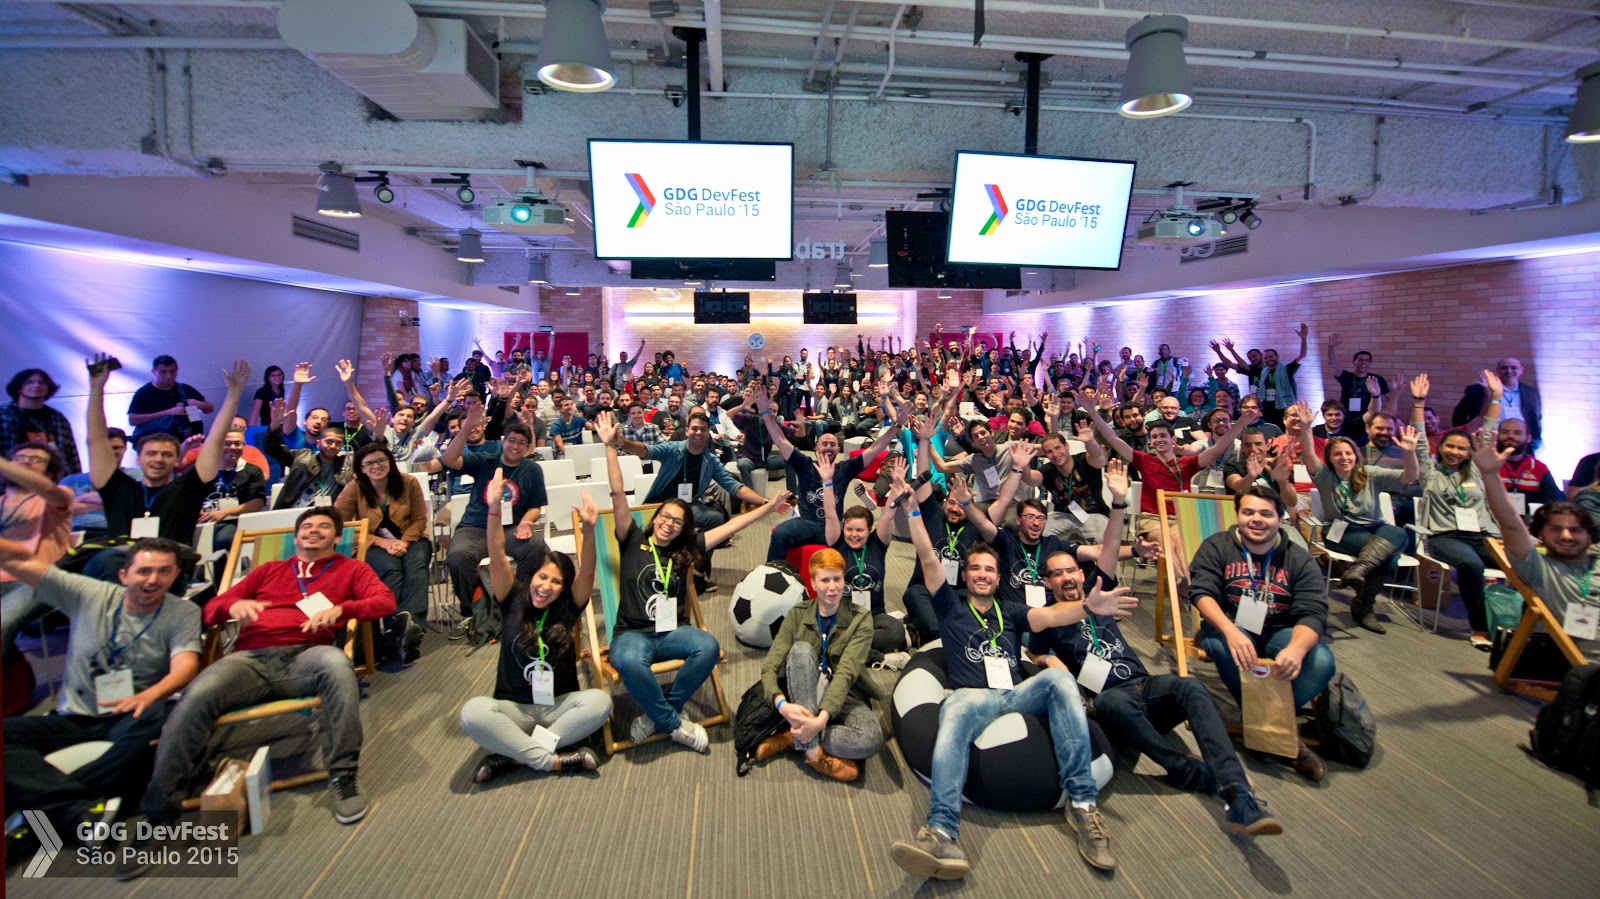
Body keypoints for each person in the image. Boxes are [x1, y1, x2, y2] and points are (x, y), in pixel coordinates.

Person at [117, 506, 393, 879]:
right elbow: (211, 609)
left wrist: (342, 609)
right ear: (295, 538)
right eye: (307, 527)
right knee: (197, 694)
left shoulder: (350, 569)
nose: (313, 532)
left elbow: (384, 602)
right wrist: (234, 603)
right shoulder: (268, 571)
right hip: (249, 658)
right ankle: (158, 814)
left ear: (335, 537)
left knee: (337, 667)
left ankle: (343, 776)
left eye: (324, 528)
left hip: (306, 656)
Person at [1028, 461, 1282, 836]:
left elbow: (1111, 547)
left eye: (1071, 570)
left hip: (1144, 686)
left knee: (1189, 685)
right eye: (1057, 574)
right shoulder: (1049, 616)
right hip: (1111, 704)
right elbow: (1034, 648)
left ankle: (1236, 787)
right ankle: (1184, 769)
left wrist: (1117, 502)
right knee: (1114, 702)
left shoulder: (1101, 591)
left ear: (1082, 574)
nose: (1067, 577)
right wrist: (1049, 659)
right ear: (1047, 582)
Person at [889, 496, 1133, 879]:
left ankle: (1083, 807)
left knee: (1057, 677)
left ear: (999, 578)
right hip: (971, 696)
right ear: (965, 576)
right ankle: (941, 832)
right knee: (953, 711)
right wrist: (912, 510)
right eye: (975, 569)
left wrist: (1088, 607)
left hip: (1015, 694)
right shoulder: (950, 606)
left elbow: (1050, 615)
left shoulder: (1012, 611)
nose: (983, 574)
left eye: (990, 569)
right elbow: (926, 556)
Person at [595, 412, 793, 751]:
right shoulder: (631, 540)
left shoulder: (685, 549)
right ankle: (673, 723)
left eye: (677, 521)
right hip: (634, 633)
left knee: (708, 647)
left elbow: (732, 527)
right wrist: (611, 447)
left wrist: (767, 504)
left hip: (672, 632)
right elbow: (617, 493)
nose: (669, 524)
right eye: (664, 518)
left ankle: (658, 714)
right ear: (654, 518)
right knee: (627, 660)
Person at [1, 538, 202, 852]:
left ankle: (36, 818)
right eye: (144, 571)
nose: (153, 580)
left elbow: (185, 664)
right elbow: (20, 559)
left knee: (159, 724)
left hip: (132, 718)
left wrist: (150, 694)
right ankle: (77, 813)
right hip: (74, 719)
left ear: (176, 574)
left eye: (164, 572)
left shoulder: (183, 612)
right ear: (124, 576)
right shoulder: (87, 595)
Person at [460, 471, 611, 782]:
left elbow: (588, 569)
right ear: (532, 576)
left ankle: (515, 757)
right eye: (543, 577)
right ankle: (553, 760)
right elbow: (497, 551)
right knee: (472, 714)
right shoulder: (511, 596)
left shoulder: (569, 605)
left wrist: (590, 528)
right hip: (513, 708)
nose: (547, 586)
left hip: (558, 706)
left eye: (556, 581)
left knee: (600, 702)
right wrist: (492, 510)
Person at [1189, 484, 1336, 781]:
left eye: (1266, 513)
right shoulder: (1217, 546)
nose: (1256, 519)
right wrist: (1230, 631)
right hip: (1231, 625)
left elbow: (1314, 612)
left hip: (1282, 630)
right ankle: (1288, 742)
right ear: (1238, 515)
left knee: (1321, 661)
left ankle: (1262, 725)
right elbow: (1201, 592)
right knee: (1222, 647)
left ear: (1279, 519)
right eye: (1249, 512)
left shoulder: (1299, 558)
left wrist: (1296, 648)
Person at [84, 354, 247, 579]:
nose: (158, 459)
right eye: (151, 453)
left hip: (171, 577)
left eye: (167, 454)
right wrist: (96, 389)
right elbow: (96, 440)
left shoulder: (187, 489)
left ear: (177, 460)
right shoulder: (119, 488)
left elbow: (216, 440)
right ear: (138, 458)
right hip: (119, 577)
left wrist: (234, 393)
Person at [753, 546, 885, 781]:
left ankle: (794, 737)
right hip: (804, 689)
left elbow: (846, 674)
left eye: (837, 579)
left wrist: (820, 721)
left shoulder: (861, 619)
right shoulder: (797, 614)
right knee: (801, 650)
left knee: (871, 739)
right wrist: (781, 704)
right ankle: (814, 754)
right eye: (825, 580)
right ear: (812, 583)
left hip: (845, 693)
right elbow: (770, 666)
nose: (833, 587)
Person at [1290, 401, 1421, 633]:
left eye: (1348, 453)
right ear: (1330, 458)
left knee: (1399, 532)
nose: (1344, 458)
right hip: (1340, 531)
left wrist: (1410, 452)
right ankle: (1364, 607)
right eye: (1337, 454)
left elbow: (1410, 477)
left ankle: (1358, 572)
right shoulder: (1325, 476)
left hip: (1374, 528)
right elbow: (1309, 454)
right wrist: (1307, 427)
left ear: (1356, 455)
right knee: (1388, 557)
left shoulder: (1370, 474)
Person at [1471, 430, 1600, 640]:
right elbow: (1510, 522)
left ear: (1590, 535)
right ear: (1540, 534)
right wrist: (1490, 475)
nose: (1566, 536)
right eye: (1556, 529)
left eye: (1575, 530)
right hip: (1587, 666)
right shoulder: (1538, 566)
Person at [756, 386, 902, 563]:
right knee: (779, 533)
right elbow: (780, 440)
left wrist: (897, 427)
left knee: (857, 541)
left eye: (832, 444)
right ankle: (773, 573)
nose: (828, 447)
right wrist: (765, 413)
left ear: (838, 450)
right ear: (816, 448)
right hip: (806, 522)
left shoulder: (845, 468)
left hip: (833, 526)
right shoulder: (804, 464)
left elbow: (874, 449)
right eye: (824, 443)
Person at [441, 403, 548, 640]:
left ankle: (518, 603)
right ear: (503, 440)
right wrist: (467, 425)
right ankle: (472, 610)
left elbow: (535, 507)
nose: (515, 446)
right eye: (512, 440)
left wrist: (526, 522)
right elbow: (449, 459)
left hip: (510, 529)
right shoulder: (486, 462)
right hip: (476, 527)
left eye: (522, 442)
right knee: (459, 556)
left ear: (528, 446)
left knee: (536, 548)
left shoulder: (532, 470)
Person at [1413, 372, 1504, 650]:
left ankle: (1522, 626)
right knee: (1471, 565)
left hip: (1483, 535)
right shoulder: (1430, 471)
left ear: (1469, 452)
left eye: (1461, 448)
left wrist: (1496, 398)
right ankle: (1480, 627)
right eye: (1450, 446)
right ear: (1439, 448)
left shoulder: (1476, 470)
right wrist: (1418, 402)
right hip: (1445, 537)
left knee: (1523, 564)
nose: (1455, 451)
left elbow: (1488, 430)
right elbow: (1417, 438)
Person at [333, 443, 430, 663]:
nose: (376, 466)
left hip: (411, 539)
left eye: (381, 461)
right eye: (369, 464)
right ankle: (396, 629)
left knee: (417, 566)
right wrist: (381, 542)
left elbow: (419, 519)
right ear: (362, 469)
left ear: (390, 462)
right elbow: (343, 525)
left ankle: (410, 627)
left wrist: (403, 542)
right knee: (390, 570)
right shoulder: (354, 489)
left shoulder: (408, 483)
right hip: (372, 545)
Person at [817, 453, 911, 669]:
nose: (854, 535)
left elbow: (888, 514)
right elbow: (831, 514)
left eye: (860, 530)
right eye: (849, 529)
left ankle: (850, 650)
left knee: (895, 632)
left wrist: (897, 483)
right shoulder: (837, 544)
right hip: (842, 617)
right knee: (825, 632)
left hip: (873, 616)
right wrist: (827, 482)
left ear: (869, 531)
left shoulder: (878, 545)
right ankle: (878, 657)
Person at [0, 445, 76, 667]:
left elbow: (46, 488)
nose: (25, 462)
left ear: (50, 474)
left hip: (38, 579)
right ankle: (16, 684)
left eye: (36, 460)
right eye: (19, 458)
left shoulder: (58, 497)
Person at [266, 400, 352, 509]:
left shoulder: (346, 463)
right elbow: (272, 449)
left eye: (338, 443)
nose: (333, 446)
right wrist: (275, 423)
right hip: (293, 513)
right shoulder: (302, 457)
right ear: (318, 443)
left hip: (327, 516)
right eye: (329, 442)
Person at [2, 368, 81, 476]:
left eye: (42, 382)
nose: (36, 385)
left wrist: (76, 480)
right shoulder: (4, 415)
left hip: (52, 478)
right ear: (18, 387)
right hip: (13, 477)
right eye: (29, 382)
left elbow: (71, 453)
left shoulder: (57, 417)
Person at [1454, 357, 1540, 449]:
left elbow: (1535, 419)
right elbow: (1458, 417)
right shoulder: (1478, 390)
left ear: (1521, 370)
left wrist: (1534, 443)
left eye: (1513, 368)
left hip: (1519, 445)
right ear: (1497, 370)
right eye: (1504, 368)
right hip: (1488, 443)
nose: (1509, 371)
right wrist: (1468, 436)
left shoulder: (1531, 393)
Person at [126, 354, 214, 442]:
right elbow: (133, 420)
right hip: (157, 444)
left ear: (177, 370)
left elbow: (210, 409)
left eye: (172, 371)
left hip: (191, 443)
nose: (168, 376)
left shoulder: (185, 389)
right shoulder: (144, 393)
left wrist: (199, 404)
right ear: (154, 372)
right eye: (163, 372)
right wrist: (168, 413)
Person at [1324, 334, 1388, 443]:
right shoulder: (1347, 377)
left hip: (1366, 418)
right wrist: (1331, 348)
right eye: (1360, 360)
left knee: (1363, 446)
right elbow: (1333, 365)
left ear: (1370, 363)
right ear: (1354, 361)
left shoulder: (1376, 379)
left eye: (1367, 360)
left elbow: (1387, 398)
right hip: (1345, 418)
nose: (1363, 363)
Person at [1494, 419, 1563, 508]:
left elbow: (1552, 502)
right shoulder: (1488, 464)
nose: (1510, 436)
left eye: (1517, 433)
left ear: (1528, 438)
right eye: (1505, 432)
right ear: (1497, 436)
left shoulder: (1539, 468)